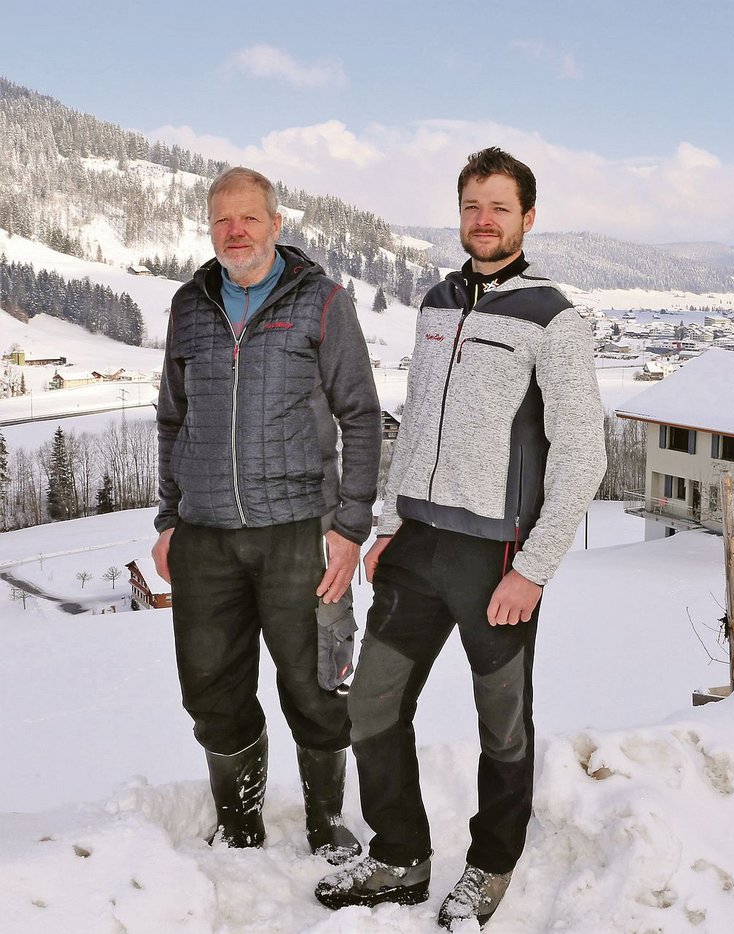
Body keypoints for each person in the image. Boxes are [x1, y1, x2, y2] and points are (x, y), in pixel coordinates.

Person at [315, 148, 606, 929]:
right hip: (418, 545)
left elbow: (584, 453)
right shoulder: (437, 301)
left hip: (497, 559)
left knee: (501, 724)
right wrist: (392, 522)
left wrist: (535, 569)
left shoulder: (555, 318)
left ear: (527, 218)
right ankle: (401, 855)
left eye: (500, 207)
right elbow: (416, 426)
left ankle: (492, 864)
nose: (484, 219)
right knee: (372, 704)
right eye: (473, 205)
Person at [153, 166, 380, 863]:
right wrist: (169, 518)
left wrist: (348, 529)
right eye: (222, 219)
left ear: (277, 224)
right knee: (211, 688)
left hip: (299, 534)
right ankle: (241, 821)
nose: (235, 231)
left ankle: (325, 821)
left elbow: (363, 418)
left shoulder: (321, 300)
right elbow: (172, 416)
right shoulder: (189, 305)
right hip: (206, 538)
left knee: (316, 683)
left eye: (249, 218)